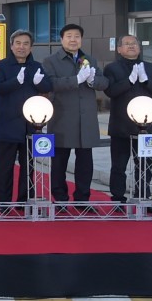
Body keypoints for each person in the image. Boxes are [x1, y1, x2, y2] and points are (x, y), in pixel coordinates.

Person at [42, 23, 109, 209]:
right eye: (69, 36)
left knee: (85, 162)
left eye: (77, 36)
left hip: (86, 119)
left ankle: (82, 199)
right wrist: (76, 80)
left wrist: (92, 80)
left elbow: (104, 83)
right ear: (62, 39)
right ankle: (60, 198)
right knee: (59, 162)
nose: (73, 40)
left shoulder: (90, 60)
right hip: (63, 118)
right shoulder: (51, 61)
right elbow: (50, 84)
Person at [0, 30, 52, 209]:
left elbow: (48, 87)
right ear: (11, 45)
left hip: (31, 125)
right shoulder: (1, 66)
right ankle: (3, 202)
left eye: (25, 43)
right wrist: (15, 82)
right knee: (5, 166)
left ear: (31, 47)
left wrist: (40, 82)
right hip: (7, 123)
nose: (21, 47)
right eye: (18, 43)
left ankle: (24, 201)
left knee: (28, 166)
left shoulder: (37, 66)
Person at [103, 34, 152, 204]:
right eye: (127, 44)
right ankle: (117, 198)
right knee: (119, 166)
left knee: (145, 166)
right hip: (121, 126)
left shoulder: (149, 67)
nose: (131, 46)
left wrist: (146, 81)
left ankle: (143, 197)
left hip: (147, 126)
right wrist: (129, 81)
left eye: (134, 44)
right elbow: (111, 91)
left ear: (139, 48)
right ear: (119, 49)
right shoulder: (112, 68)